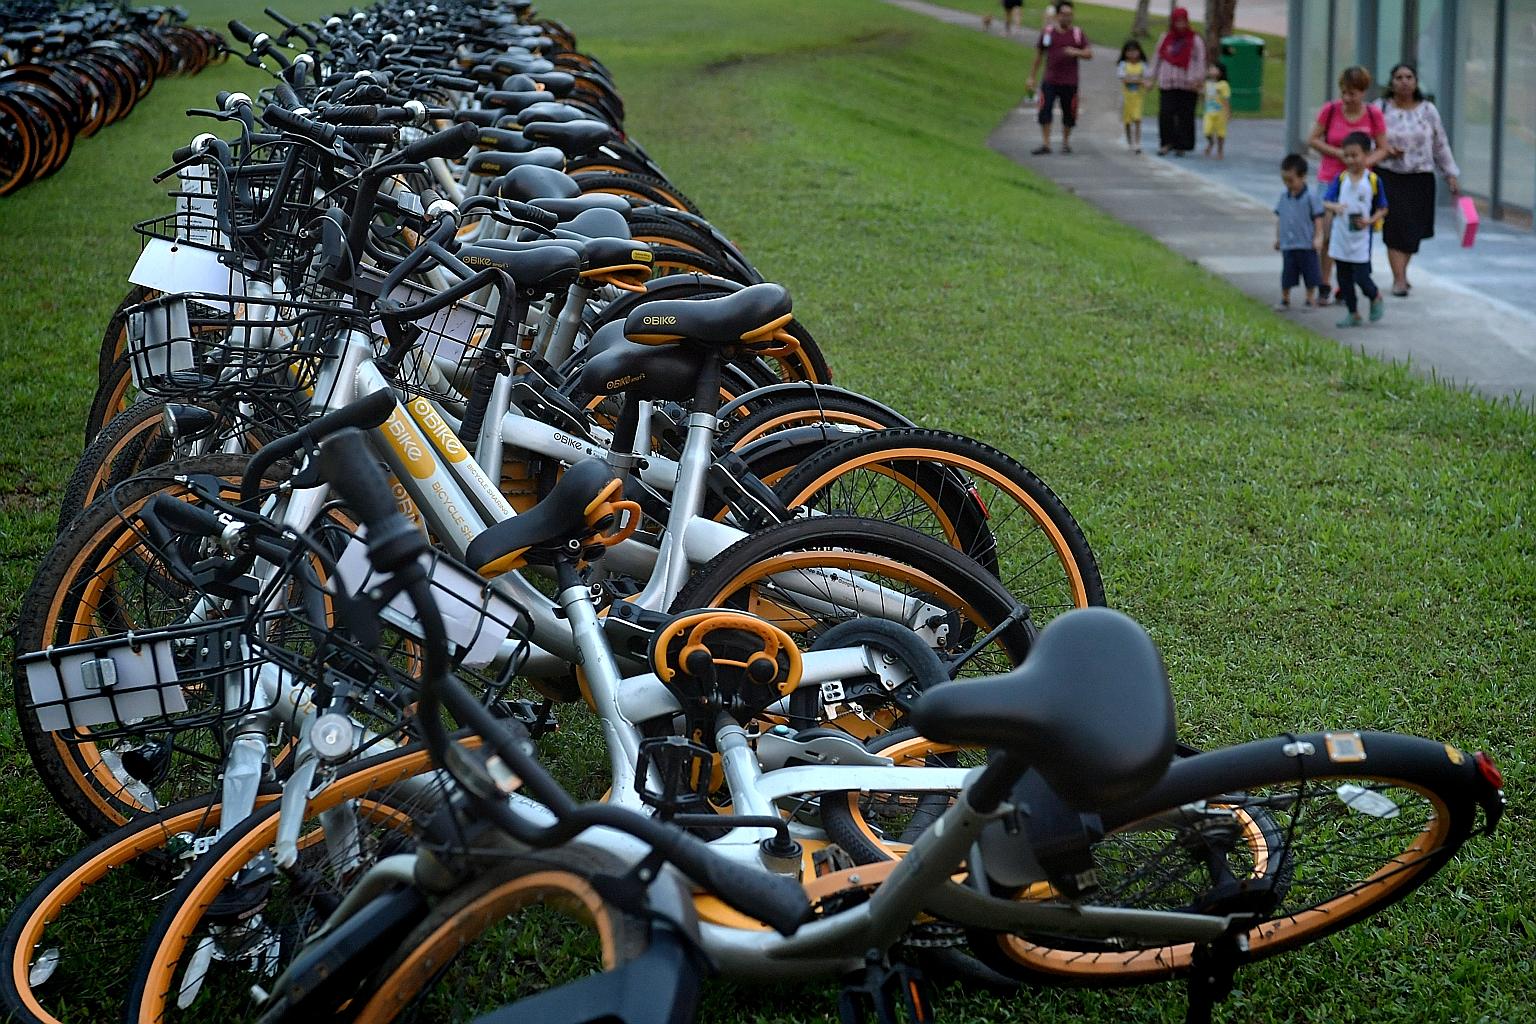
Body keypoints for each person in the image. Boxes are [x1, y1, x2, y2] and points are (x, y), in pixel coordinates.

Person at [1376, 63, 1460, 296]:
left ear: (1415, 81)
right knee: (1394, 228)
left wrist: (1450, 173)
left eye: (1409, 77)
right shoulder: (1380, 108)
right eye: (1399, 77)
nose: (1404, 81)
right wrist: (1386, 150)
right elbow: (1369, 138)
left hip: (1420, 177)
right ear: (1391, 82)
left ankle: (1402, 272)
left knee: (1413, 230)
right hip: (1389, 176)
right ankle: (1399, 279)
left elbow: (1440, 143)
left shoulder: (1428, 110)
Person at [1306, 66, 1389, 304]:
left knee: (1357, 231)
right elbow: (1313, 139)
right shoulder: (1330, 110)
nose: (1347, 98)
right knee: (1328, 232)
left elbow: (1383, 147)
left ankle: (1348, 284)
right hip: (1331, 177)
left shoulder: (1373, 114)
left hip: (1360, 183)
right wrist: (1340, 154)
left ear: (1363, 92)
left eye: (1352, 93)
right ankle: (1324, 282)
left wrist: (1362, 164)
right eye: (1344, 92)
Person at [1322, 132, 1389, 327]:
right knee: (1343, 278)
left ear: (1366, 155)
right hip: (1341, 236)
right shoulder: (1340, 178)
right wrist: (1335, 207)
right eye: (1347, 155)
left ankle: (1374, 296)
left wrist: (1370, 221)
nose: (1351, 160)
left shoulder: (1373, 180)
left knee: (1361, 276)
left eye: (1355, 155)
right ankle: (1353, 313)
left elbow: (1383, 208)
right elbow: (1326, 201)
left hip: (1360, 239)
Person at [1025, 1, 1090, 155]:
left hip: (1070, 81)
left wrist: (1075, 52)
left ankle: (1065, 143)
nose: (1067, 18)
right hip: (1050, 80)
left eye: (1070, 15)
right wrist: (1032, 76)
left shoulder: (1077, 34)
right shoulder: (1048, 33)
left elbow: (1089, 53)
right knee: (1044, 110)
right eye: (1064, 14)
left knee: (1069, 113)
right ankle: (1046, 144)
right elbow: (1039, 55)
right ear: (1057, 15)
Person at [1145, 7, 1206, 157]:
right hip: (1168, 81)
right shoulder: (1166, 38)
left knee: (1185, 115)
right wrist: (1150, 77)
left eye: (1183, 21)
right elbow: (1157, 57)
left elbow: (1201, 60)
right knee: (1166, 113)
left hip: (1188, 83)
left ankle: (1182, 145)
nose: (1180, 24)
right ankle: (1166, 143)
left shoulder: (1194, 39)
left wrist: (1198, 80)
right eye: (1177, 21)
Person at [1274, 153, 1325, 309]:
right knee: (1287, 274)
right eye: (1284, 180)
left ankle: (1310, 298)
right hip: (1289, 243)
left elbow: (1318, 218)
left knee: (1310, 273)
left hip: (1306, 243)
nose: (1287, 184)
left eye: (1291, 180)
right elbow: (1280, 218)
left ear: (1302, 177)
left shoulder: (1311, 196)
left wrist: (1318, 237)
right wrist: (1278, 238)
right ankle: (1285, 298)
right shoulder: (1284, 196)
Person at [1118, 40, 1147, 153]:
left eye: (1135, 51)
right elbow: (1124, 79)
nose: (1132, 54)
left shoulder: (1142, 65)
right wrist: (1139, 80)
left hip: (1138, 98)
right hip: (1126, 98)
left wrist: (1141, 81)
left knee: (1137, 119)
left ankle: (1137, 143)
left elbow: (1146, 79)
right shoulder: (1123, 65)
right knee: (1127, 121)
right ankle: (1129, 141)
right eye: (1129, 51)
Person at [1202, 61, 1230, 158]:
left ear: (1220, 72)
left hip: (1220, 113)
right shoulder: (1207, 83)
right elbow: (1202, 94)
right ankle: (1211, 142)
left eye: (1214, 68)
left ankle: (1220, 149)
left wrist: (1228, 112)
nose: (1211, 70)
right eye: (1210, 68)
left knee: (1221, 133)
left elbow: (1226, 99)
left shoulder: (1223, 84)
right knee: (1207, 131)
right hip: (1209, 112)